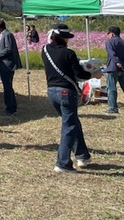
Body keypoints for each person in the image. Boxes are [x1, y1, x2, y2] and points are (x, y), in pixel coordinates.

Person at [42, 24, 94, 172]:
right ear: (62, 38)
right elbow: (80, 74)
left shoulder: (45, 51)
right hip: (66, 92)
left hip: (51, 91)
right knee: (69, 126)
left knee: (72, 122)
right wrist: (93, 74)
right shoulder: (69, 53)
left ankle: (82, 155)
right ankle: (63, 162)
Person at [0, 19, 23, 116]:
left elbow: (8, 50)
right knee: (8, 86)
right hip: (4, 64)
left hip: (7, 65)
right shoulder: (5, 34)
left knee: (7, 87)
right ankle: (12, 106)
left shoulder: (7, 35)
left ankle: (10, 108)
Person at [103, 25, 124, 114]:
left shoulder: (110, 42)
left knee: (111, 88)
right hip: (123, 68)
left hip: (112, 68)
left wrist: (117, 62)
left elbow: (112, 53)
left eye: (108, 33)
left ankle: (112, 108)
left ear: (112, 34)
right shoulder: (122, 42)